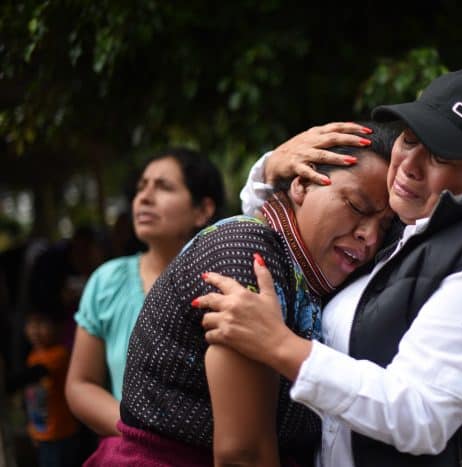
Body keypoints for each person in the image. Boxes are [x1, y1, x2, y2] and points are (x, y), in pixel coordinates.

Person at [197, 67, 462, 466]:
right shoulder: (400, 231)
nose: (410, 164)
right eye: (409, 139)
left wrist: (281, 346)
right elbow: (299, 242)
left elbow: (421, 415)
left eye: (441, 155)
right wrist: (273, 170)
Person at [94, 122, 396, 467]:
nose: (369, 236)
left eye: (385, 227)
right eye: (357, 206)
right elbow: (243, 455)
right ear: (301, 185)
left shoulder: (303, 270)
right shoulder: (247, 256)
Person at [65, 149, 225, 448]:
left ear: (203, 210)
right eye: (141, 187)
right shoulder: (107, 281)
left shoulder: (225, 283)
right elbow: (80, 384)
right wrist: (136, 430)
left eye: (163, 187)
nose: (145, 197)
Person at [8, 309, 81, 467]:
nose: (35, 330)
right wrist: (33, 429)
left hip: (60, 434)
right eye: (31, 324)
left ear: (57, 327)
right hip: (42, 434)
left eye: (41, 324)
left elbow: (37, 373)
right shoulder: (33, 356)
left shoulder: (59, 355)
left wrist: (8, 385)